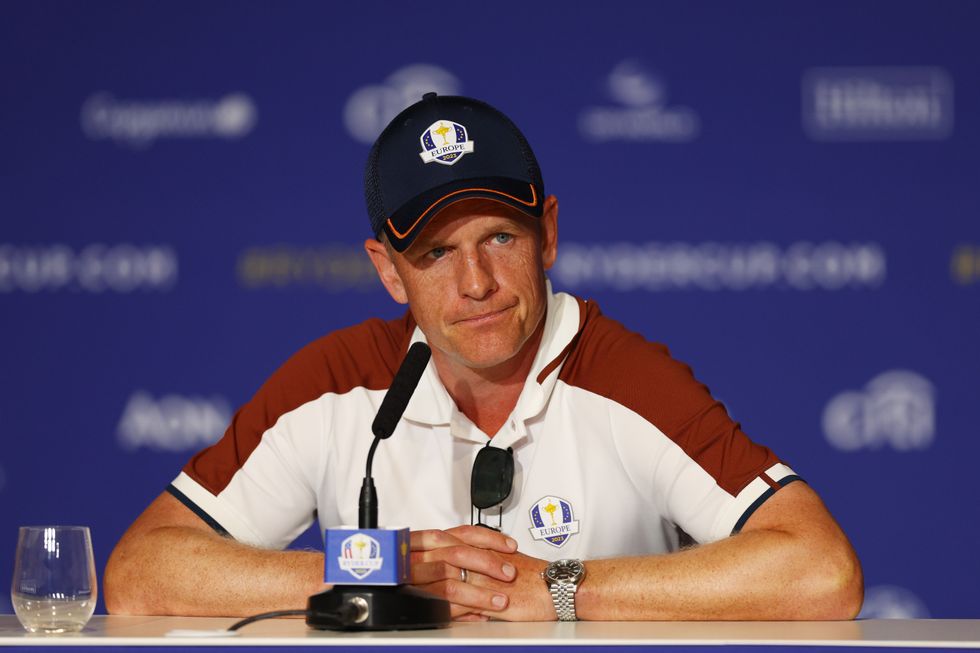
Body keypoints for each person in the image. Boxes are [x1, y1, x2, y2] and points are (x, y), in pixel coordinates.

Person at [104, 93, 863, 621]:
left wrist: (560, 588)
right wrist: (383, 568)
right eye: (436, 252)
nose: (476, 284)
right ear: (388, 270)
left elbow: (820, 570)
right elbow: (141, 574)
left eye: (500, 237)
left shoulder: (624, 377)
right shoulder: (335, 383)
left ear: (549, 235)